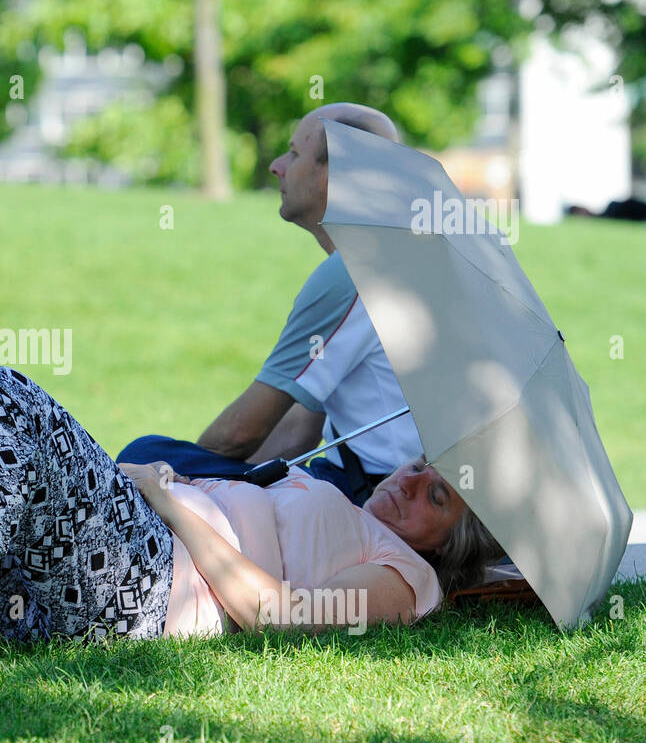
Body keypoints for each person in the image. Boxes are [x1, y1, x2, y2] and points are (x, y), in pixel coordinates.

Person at [0, 365, 503, 673]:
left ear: (450, 545)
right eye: (420, 467)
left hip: (149, 593)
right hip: (98, 554)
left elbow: (275, 613)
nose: (411, 482)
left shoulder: (407, 579)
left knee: (1, 391)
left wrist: (171, 503)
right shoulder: (335, 491)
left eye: (437, 498)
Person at [117, 103, 424, 505]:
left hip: (378, 494)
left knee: (146, 455)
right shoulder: (401, 251)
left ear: (338, 174)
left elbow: (237, 439)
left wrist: (175, 478)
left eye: (295, 154)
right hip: (367, 478)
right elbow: (297, 431)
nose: (277, 166)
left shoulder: (354, 270)